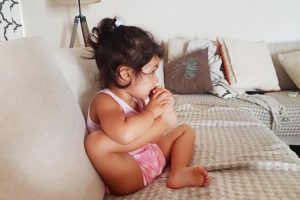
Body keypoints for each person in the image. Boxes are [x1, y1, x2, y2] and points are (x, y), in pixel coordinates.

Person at [84, 17, 209, 195]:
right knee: (95, 143)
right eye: (151, 72)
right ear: (125, 74)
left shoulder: (138, 99)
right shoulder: (105, 101)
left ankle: (179, 171)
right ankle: (170, 157)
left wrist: (164, 108)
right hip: (129, 171)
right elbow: (124, 134)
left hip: (151, 155)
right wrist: (156, 117)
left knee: (185, 130)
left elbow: (147, 133)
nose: (157, 79)